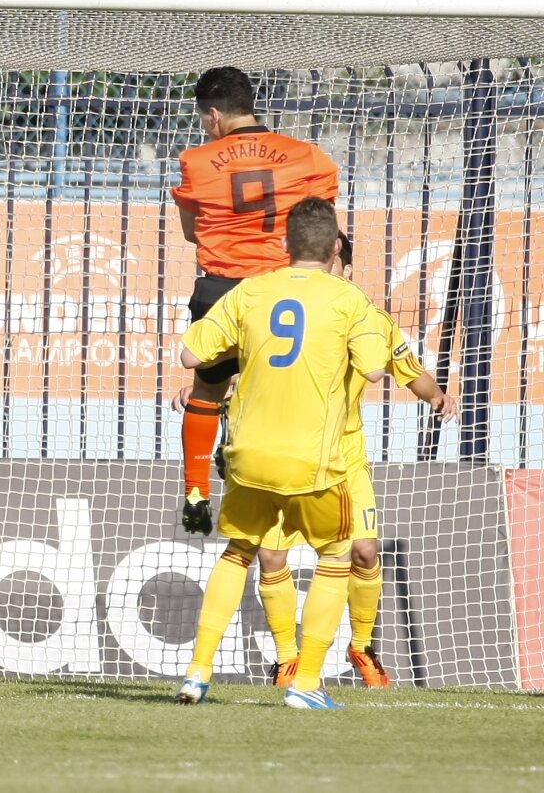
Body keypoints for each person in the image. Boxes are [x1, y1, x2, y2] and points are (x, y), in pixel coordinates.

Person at [173, 197, 389, 710]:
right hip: (313, 460)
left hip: (247, 454)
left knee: (237, 552)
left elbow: (190, 354)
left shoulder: (251, 292)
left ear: (283, 245)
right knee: (336, 556)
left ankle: (197, 672)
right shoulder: (348, 301)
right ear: (335, 246)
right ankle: (307, 681)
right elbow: (377, 369)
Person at [255, 231, 458, 689]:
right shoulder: (280, 308)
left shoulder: (367, 316)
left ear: (343, 264)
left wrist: (437, 396)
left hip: (343, 461)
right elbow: (252, 364)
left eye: (332, 262)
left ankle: (362, 646)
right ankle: (287, 659)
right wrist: (207, 390)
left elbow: (409, 370)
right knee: (270, 555)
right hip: (283, 454)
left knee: (364, 551)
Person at [170, 67, 338, 536]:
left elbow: (191, 233)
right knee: (276, 386)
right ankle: (270, 474)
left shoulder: (197, 161)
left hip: (222, 289)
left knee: (206, 390)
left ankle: (196, 490)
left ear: (214, 114)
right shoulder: (308, 157)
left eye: (205, 118)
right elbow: (322, 227)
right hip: (283, 289)